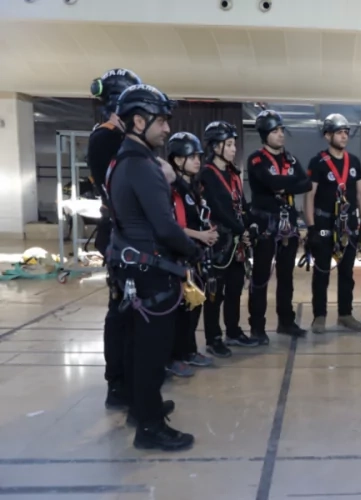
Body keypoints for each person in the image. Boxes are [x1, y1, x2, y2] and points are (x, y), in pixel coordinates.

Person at [107, 84, 200, 450]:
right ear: (138, 121)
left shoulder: (121, 161)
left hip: (132, 267)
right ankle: (150, 427)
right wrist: (193, 252)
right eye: (161, 121)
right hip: (151, 272)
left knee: (137, 346)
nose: (166, 128)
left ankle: (141, 406)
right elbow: (165, 227)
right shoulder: (143, 167)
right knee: (151, 353)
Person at [87, 68, 142, 411]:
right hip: (119, 233)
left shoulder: (116, 137)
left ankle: (132, 377)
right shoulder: (106, 137)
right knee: (120, 310)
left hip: (128, 231)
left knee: (132, 310)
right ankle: (117, 382)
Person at [246, 110, 311, 341]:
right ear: (265, 134)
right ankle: (257, 327)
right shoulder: (256, 159)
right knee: (261, 276)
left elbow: (306, 184)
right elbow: (271, 181)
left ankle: (286, 321)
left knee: (286, 276)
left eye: (282, 130)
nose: (281, 134)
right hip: (265, 222)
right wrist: (289, 183)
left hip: (288, 223)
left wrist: (283, 186)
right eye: (275, 131)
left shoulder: (291, 159)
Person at [304, 114, 361, 333]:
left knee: (347, 273)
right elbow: (309, 196)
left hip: (348, 224)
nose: (344, 136)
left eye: (346, 133)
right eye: (339, 132)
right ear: (327, 136)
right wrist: (311, 227)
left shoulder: (354, 162)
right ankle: (319, 316)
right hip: (324, 223)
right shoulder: (318, 162)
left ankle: (345, 314)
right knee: (322, 272)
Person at [200, 121, 256, 356]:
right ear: (216, 147)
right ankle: (213, 337)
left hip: (236, 241)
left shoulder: (233, 173)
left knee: (235, 288)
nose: (234, 149)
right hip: (219, 241)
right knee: (215, 292)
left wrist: (250, 224)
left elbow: (240, 203)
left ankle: (233, 331)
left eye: (234, 144)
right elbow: (219, 208)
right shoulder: (207, 174)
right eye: (230, 144)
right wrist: (241, 229)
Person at [166, 132, 219, 377]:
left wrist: (207, 233)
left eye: (199, 156)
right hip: (180, 256)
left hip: (195, 254)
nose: (198, 161)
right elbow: (173, 225)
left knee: (194, 306)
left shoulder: (192, 188)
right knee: (181, 309)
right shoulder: (173, 189)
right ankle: (174, 356)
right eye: (192, 156)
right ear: (178, 160)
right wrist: (201, 235)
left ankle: (188, 350)